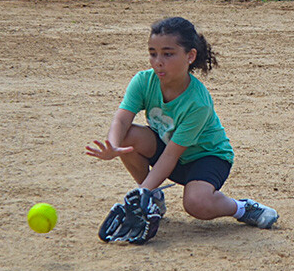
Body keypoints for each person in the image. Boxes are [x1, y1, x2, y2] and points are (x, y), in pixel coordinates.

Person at [85, 16, 278, 243]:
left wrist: (139, 195)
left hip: (207, 157)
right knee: (128, 137)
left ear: (190, 56)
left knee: (197, 204)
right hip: (169, 148)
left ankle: (242, 208)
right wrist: (114, 145)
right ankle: (152, 198)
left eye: (168, 54)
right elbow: (121, 120)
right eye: (153, 53)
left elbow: (171, 155)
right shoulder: (144, 81)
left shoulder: (198, 102)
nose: (158, 61)